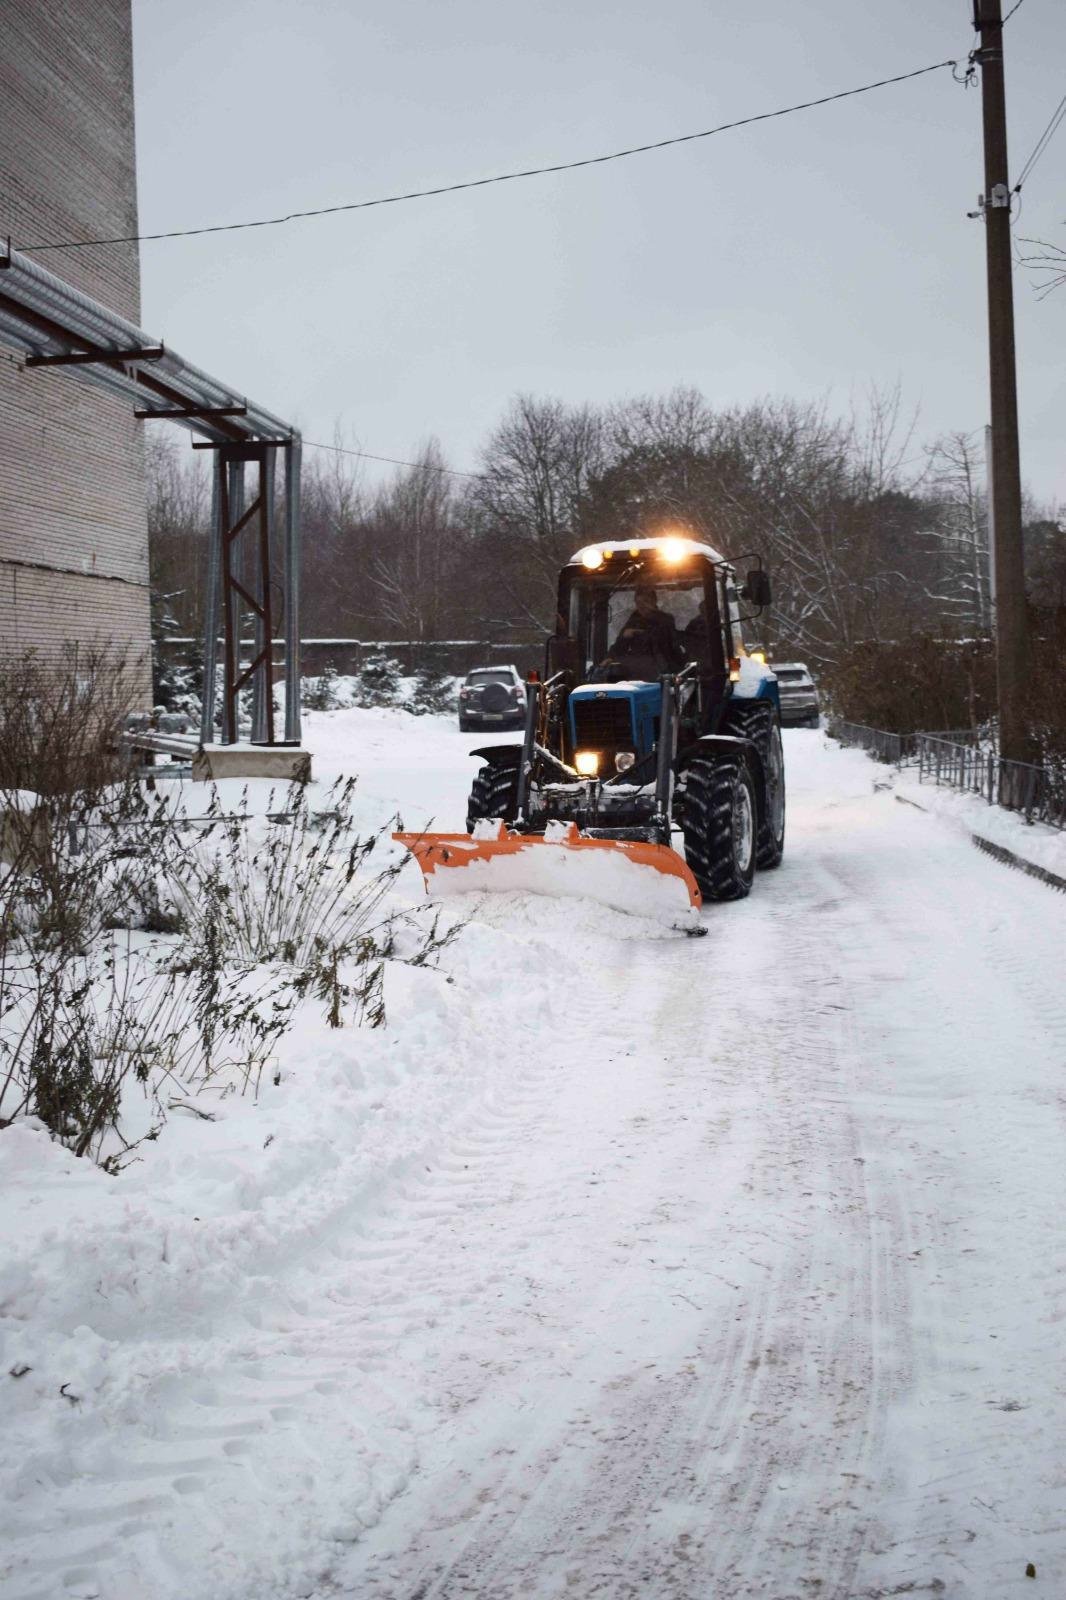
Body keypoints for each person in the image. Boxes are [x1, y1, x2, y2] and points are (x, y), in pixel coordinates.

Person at [608, 585, 685, 670]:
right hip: (640, 670)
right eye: (638, 603)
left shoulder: (665, 620)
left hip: (664, 669)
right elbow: (619, 648)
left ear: (654, 601)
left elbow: (668, 642)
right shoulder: (634, 621)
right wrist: (623, 639)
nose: (641, 606)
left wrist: (642, 632)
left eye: (645, 602)